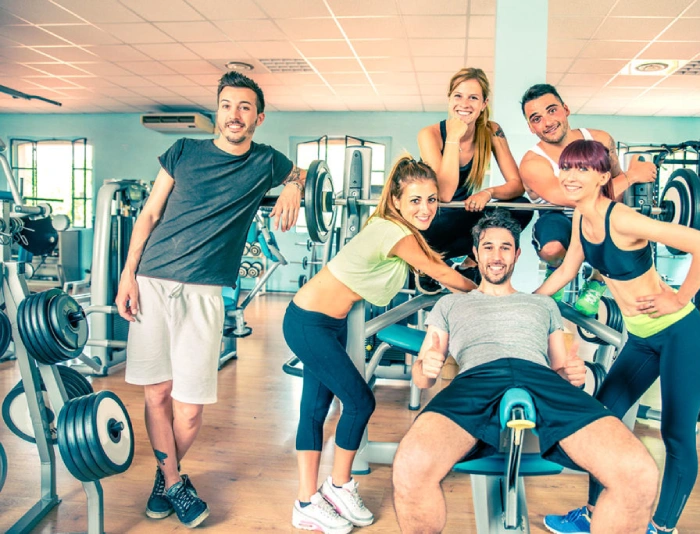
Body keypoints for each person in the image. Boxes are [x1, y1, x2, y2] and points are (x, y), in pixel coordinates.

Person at [114, 71, 306, 528]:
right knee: (157, 392)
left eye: (244, 107)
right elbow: (151, 212)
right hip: (153, 280)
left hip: (204, 292)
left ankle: (167, 476)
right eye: (226, 105)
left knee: (191, 407)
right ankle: (175, 483)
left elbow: (301, 170)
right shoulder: (182, 151)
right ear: (216, 110)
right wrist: (128, 273)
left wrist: (296, 184)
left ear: (258, 117)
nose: (233, 115)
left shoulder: (266, 162)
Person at [393, 211, 659, 534]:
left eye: (505, 248)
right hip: (476, 379)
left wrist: (572, 374)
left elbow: (561, 368)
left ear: (517, 254)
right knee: (410, 465)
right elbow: (422, 379)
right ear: (475, 254)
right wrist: (426, 367)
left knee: (639, 473)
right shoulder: (450, 305)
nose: (496, 256)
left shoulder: (542, 305)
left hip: (539, 377)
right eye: (488, 247)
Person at [284, 155, 477, 534]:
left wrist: (462, 270)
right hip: (308, 322)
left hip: (327, 324)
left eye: (432, 200)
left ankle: (311, 500)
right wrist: (488, 295)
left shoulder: (400, 231)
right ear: (397, 202)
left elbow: (432, 266)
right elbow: (436, 271)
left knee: (316, 407)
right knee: (359, 401)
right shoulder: (394, 232)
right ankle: (335, 490)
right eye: (416, 200)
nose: (426, 208)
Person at [536, 140, 700, 534]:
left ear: (603, 177)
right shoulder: (578, 219)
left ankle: (661, 527)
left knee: (676, 433)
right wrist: (523, 304)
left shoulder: (620, 218)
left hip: (680, 335)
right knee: (600, 421)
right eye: (567, 168)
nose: (570, 176)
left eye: (582, 169)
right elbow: (567, 269)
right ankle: (591, 515)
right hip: (640, 340)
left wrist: (679, 297)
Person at [519, 83, 657, 315]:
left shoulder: (601, 140)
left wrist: (631, 179)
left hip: (601, 212)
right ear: (531, 127)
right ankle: (556, 268)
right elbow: (572, 198)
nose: (547, 122)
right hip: (559, 215)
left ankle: (596, 281)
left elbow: (615, 185)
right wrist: (632, 176)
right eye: (536, 118)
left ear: (566, 109)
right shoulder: (533, 163)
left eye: (552, 110)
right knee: (552, 249)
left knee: (618, 235)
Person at [417, 67, 533, 290]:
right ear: (449, 99)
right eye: (458, 96)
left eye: (473, 97)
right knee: (441, 217)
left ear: (484, 103)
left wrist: (487, 193)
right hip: (433, 220)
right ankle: (431, 263)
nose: (465, 103)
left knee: (522, 208)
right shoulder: (429, 134)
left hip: (464, 214)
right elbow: (444, 194)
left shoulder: (491, 131)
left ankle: (470, 264)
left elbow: (517, 186)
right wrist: (453, 136)